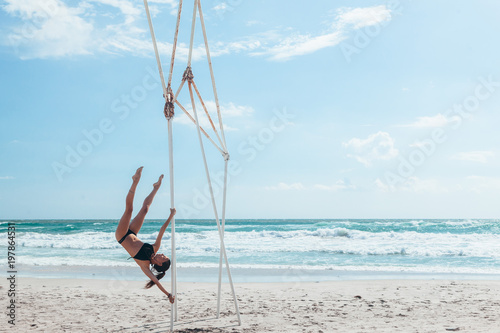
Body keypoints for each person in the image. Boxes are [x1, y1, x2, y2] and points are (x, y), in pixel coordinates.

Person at [115, 166, 176, 304]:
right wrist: (170, 216)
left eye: (163, 257)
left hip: (122, 236)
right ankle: (156, 187)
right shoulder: (155, 248)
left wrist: (168, 295)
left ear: (160, 263)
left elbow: (156, 282)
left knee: (129, 210)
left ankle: (135, 181)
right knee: (145, 209)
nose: (162, 254)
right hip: (132, 233)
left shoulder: (144, 266)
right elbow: (162, 230)